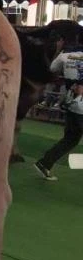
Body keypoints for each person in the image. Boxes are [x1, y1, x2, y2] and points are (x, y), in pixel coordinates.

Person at [35, 40, 83, 180]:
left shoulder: (65, 55)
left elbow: (53, 68)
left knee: (70, 138)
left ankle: (45, 163)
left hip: (71, 102)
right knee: (71, 138)